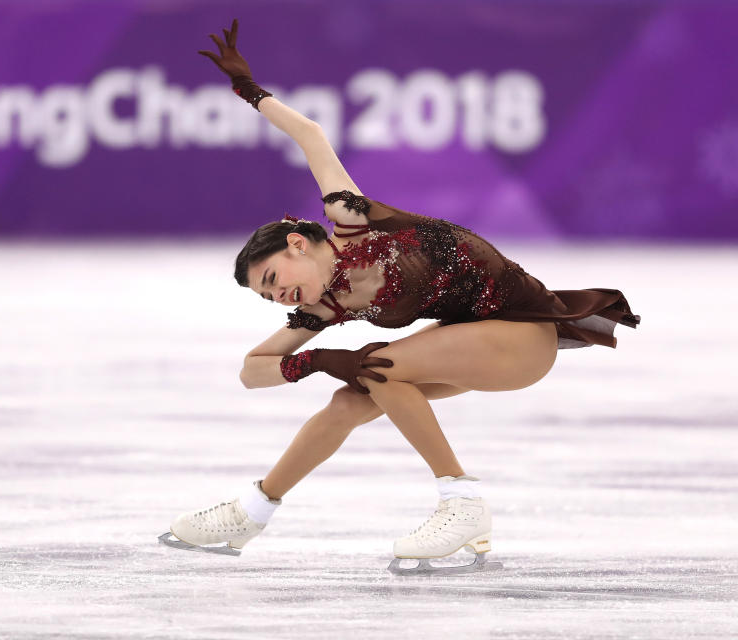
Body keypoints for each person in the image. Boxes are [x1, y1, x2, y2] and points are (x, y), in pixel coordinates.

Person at [159, 19, 641, 574]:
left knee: (379, 366)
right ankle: (252, 511)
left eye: (272, 279)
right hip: (477, 341)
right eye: (268, 298)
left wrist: (251, 92)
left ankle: (461, 501)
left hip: (526, 335)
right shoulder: (326, 306)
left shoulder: (352, 220)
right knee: (349, 399)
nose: (279, 296)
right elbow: (251, 370)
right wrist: (314, 360)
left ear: (296, 243)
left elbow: (312, 135)